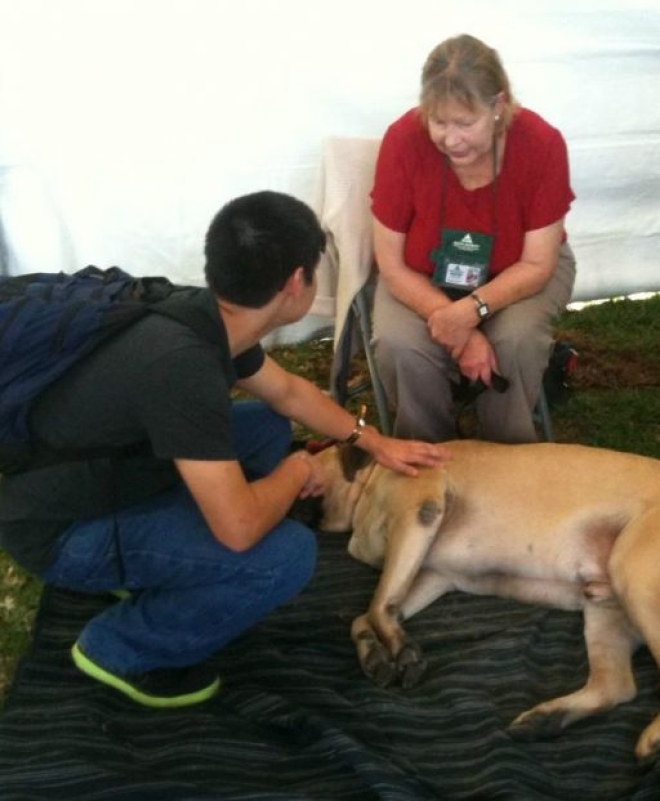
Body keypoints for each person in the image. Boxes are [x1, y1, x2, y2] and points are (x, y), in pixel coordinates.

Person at [0, 190, 447, 708]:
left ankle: (164, 557)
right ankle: (120, 648)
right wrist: (297, 472)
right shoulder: (182, 371)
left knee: (265, 426)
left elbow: (289, 393)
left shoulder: (199, 311)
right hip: (61, 529)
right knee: (282, 556)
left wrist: (374, 441)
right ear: (296, 282)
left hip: (90, 471)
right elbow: (238, 530)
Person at [371, 33, 577, 443]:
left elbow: (538, 265)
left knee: (514, 340)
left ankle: (505, 459)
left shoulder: (542, 143)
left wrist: (468, 314)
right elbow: (390, 265)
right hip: (421, 276)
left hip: (520, 273)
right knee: (399, 344)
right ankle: (428, 460)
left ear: (498, 106)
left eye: (465, 123)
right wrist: (455, 326)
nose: (450, 139)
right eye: (439, 121)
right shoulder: (402, 140)